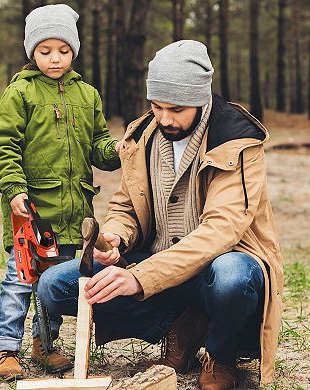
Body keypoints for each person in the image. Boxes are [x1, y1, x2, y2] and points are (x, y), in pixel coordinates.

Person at [37, 40, 283, 390]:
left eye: (176, 108)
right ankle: (181, 325)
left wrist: (139, 279)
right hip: (158, 265)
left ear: (200, 99)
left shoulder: (236, 140)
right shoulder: (143, 135)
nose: (164, 118)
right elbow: (125, 206)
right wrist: (117, 237)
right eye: (156, 106)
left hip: (217, 267)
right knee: (55, 286)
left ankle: (221, 353)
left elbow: (220, 231)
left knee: (233, 277)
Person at [0, 4, 121, 380]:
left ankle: (45, 347)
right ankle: (5, 347)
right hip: (30, 212)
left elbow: (98, 145)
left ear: (74, 50)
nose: (55, 59)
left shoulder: (88, 94)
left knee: (52, 285)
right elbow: (4, 145)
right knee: (20, 281)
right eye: (45, 51)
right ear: (32, 51)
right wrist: (14, 188)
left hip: (72, 212)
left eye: (63, 51)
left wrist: (120, 152)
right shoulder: (20, 92)